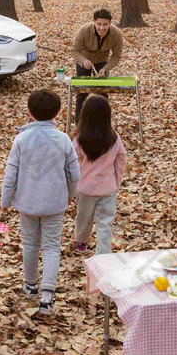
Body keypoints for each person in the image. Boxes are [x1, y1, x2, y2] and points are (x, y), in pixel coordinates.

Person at [1, 89, 80, 316]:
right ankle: (47, 296)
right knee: (52, 246)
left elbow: (11, 173)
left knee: (31, 244)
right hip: (55, 203)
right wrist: (70, 194)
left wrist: (6, 199)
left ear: (29, 112)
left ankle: (30, 284)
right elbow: (74, 173)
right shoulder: (64, 139)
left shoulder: (21, 139)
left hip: (27, 202)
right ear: (57, 113)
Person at [72, 94, 126, 254]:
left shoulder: (80, 139)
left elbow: (72, 162)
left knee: (83, 218)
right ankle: (103, 253)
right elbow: (121, 159)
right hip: (107, 188)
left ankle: (81, 242)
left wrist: (74, 183)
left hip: (86, 188)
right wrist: (117, 179)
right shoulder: (114, 138)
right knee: (105, 222)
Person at [70, 8, 124, 123]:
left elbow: (116, 56)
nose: (102, 28)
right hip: (84, 62)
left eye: (105, 24)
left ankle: (103, 123)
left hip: (102, 62)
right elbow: (74, 50)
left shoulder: (117, 34)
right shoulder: (84, 30)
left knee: (102, 93)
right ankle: (78, 124)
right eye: (99, 24)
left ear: (110, 23)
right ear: (94, 22)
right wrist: (83, 61)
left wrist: (106, 69)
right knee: (82, 93)